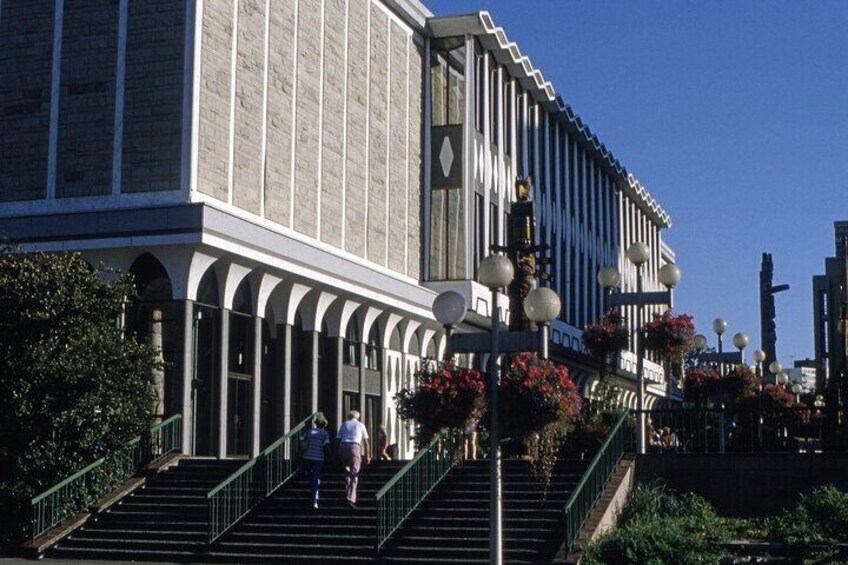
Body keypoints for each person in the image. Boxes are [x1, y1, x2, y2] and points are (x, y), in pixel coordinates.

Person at [337, 410, 370, 508]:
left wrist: (336, 453)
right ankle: (350, 498)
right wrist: (367, 456)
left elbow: (338, 439)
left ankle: (347, 492)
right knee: (354, 473)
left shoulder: (344, 424)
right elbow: (366, 442)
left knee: (347, 472)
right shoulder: (360, 425)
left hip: (343, 448)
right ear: (357, 417)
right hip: (354, 447)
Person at [300, 413, 331, 509]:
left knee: (308, 473)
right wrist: (330, 455)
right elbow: (326, 446)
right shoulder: (325, 434)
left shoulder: (309, 432)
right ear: (324, 425)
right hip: (318, 458)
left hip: (307, 457)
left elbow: (301, 440)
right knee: (315, 478)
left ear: (316, 424)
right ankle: (314, 499)